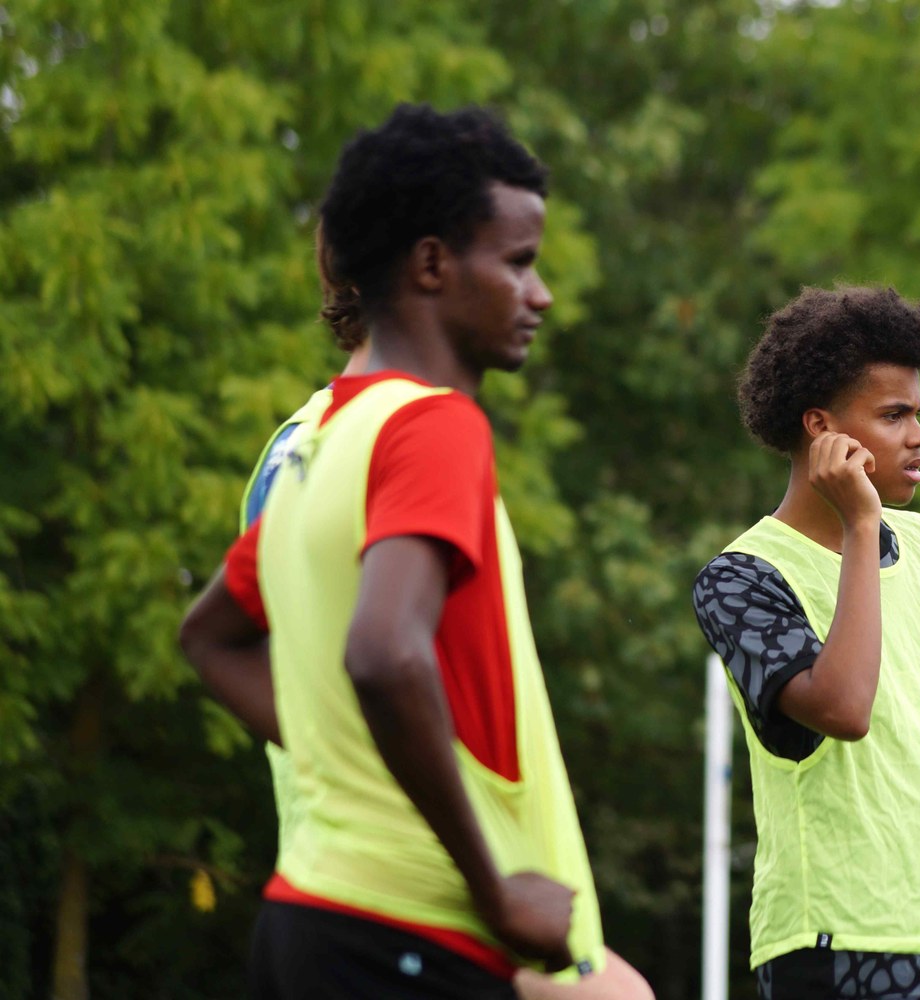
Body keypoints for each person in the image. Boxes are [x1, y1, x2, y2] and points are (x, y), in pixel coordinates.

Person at [181, 104, 646, 1000]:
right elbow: (384, 652)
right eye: (519, 262)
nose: (541, 294)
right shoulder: (436, 426)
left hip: (310, 919)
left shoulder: (320, 444)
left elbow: (208, 638)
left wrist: (351, 762)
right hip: (405, 929)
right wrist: (495, 889)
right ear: (432, 264)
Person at [692, 286, 920, 1000]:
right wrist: (862, 526)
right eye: (894, 415)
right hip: (836, 938)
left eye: (917, 414)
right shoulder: (740, 577)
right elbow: (843, 708)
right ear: (821, 429)